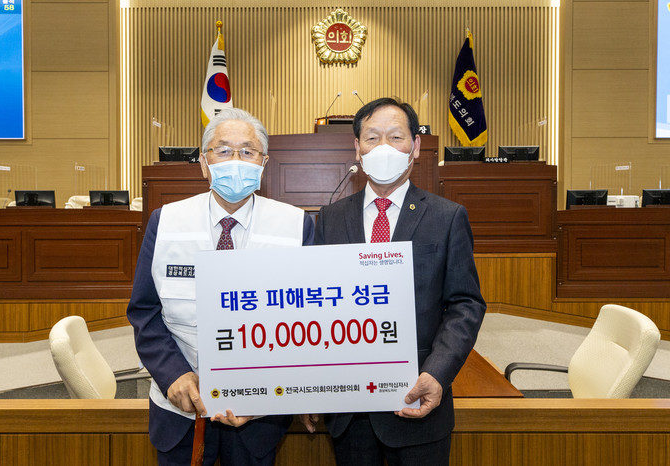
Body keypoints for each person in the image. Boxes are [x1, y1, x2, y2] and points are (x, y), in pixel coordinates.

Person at [302, 98, 485, 466]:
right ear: (357, 148)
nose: (383, 147)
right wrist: (310, 386)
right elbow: (315, 306)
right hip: (349, 408)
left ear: (415, 146)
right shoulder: (331, 218)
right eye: (372, 138)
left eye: (396, 137)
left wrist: (437, 372)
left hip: (418, 400)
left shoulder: (447, 217)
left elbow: (465, 305)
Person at [127, 108, 315, 466]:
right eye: (223, 150)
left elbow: (307, 321)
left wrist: (264, 394)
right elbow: (145, 312)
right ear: (203, 163)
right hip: (179, 412)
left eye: (248, 151)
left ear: (264, 163)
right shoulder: (165, 222)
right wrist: (173, 375)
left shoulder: (295, 225)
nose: (236, 161)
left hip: (259, 416)